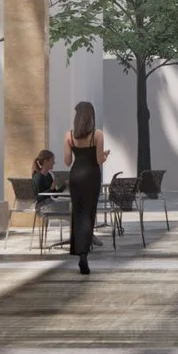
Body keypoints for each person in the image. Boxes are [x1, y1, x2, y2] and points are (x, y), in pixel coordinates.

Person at [63, 101, 106, 276]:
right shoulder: (97, 135)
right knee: (89, 213)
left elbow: (67, 162)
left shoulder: (69, 135)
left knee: (78, 213)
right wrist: (105, 156)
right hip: (92, 175)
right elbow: (98, 160)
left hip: (75, 176)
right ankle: (84, 254)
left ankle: (80, 251)